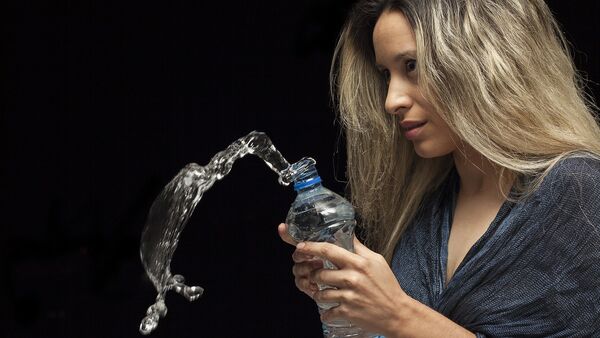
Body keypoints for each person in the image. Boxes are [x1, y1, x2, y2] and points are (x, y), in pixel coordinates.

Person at [278, 0, 600, 337]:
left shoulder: (579, 191)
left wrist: (398, 315)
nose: (391, 100)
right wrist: (351, 302)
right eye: (386, 74)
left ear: (485, 60)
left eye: (412, 66)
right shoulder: (425, 210)